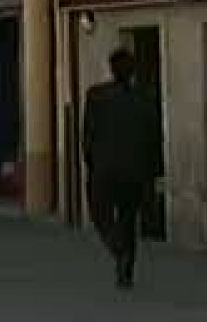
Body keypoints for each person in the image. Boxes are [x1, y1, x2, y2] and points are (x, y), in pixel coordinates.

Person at [83, 48, 162, 290]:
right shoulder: (145, 96)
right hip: (136, 171)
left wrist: (91, 162)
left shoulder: (96, 95)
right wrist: (154, 171)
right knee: (128, 219)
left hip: (105, 169)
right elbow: (155, 136)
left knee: (100, 213)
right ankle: (125, 271)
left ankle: (117, 248)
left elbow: (88, 135)